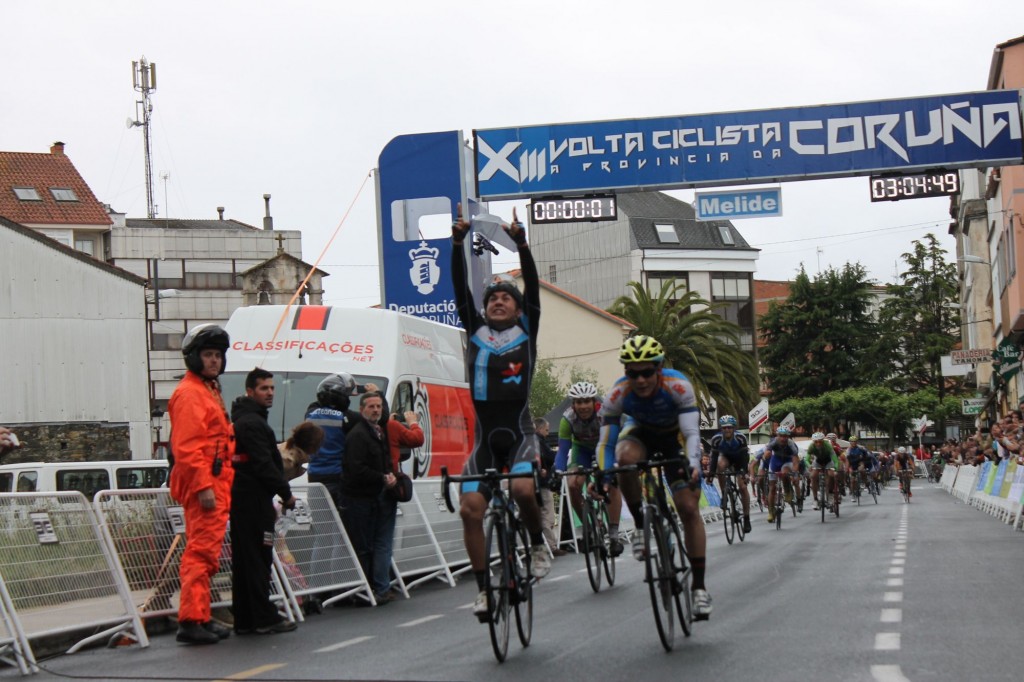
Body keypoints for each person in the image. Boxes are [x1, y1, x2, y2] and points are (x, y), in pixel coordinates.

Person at [451, 204, 551, 621]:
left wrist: (522, 244)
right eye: (492, 298)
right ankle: (484, 591)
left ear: (518, 307)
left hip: (521, 433)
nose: (497, 302)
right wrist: (457, 242)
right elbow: (460, 286)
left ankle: (537, 543)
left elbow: (531, 284)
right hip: (484, 442)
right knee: (471, 509)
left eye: (506, 298)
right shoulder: (475, 330)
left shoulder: (527, 327)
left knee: (524, 491)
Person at [595, 335, 713, 620]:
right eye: (633, 373)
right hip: (641, 434)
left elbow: (691, 433)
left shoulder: (678, 385)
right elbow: (606, 443)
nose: (641, 380)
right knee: (623, 460)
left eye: (647, 372)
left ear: (659, 369)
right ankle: (639, 524)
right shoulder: (617, 394)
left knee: (688, 509)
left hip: (674, 438)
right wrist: (604, 473)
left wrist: (693, 463)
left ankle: (698, 587)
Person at [168, 324, 236, 645]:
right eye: (208, 355)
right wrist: (203, 487)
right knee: (200, 553)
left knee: (208, 553)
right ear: (195, 358)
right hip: (206, 485)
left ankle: (201, 615)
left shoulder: (208, 390)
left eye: (218, 355)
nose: (215, 361)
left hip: (217, 482)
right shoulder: (191, 393)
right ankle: (192, 619)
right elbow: (187, 447)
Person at [229, 367, 298, 635]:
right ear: (250, 391)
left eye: (271, 388)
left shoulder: (243, 420)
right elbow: (264, 465)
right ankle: (263, 616)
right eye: (263, 388)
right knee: (258, 559)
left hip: (243, 499)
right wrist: (286, 493)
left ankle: (245, 618)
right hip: (253, 501)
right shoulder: (254, 424)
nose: (270, 393)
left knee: (246, 560)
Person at [339, 391, 398, 604]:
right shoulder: (358, 435)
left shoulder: (378, 431)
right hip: (358, 498)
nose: (375, 410)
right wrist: (382, 477)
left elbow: (384, 460)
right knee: (361, 547)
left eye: (378, 406)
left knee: (372, 545)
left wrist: (389, 475)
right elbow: (356, 468)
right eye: (371, 406)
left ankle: (375, 588)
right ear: (362, 409)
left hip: (373, 496)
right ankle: (361, 591)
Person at [555, 381, 624, 557]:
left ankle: (614, 534)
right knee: (572, 484)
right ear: (573, 404)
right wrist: (557, 470)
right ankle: (588, 527)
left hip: (605, 447)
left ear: (594, 402)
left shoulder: (604, 413)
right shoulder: (567, 419)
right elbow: (563, 450)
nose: (583, 406)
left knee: (613, 483)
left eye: (587, 401)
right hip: (582, 451)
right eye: (579, 402)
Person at [304, 373, 362, 508]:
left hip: (314, 475)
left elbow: (316, 404)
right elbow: (380, 419)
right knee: (341, 522)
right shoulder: (348, 418)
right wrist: (375, 392)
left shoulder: (310, 413)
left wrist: (328, 394)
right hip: (337, 477)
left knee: (321, 520)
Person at [709, 415, 752, 533]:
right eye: (724, 428)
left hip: (740, 460)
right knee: (720, 465)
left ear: (734, 428)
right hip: (726, 457)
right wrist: (711, 475)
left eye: (729, 427)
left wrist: (744, 472)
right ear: (721, 429)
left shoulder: (740, 437)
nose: (727, 430)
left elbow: (744, 457)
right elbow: (714, 458)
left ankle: (747, 518)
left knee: (743, 487)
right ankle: (724, 494)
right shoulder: (716, 439)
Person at [534, 418, 563, 556]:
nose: (547, 432)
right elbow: (549, 456)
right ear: (539, 429)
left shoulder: (530, 441)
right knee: (548, 515)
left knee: (538, 514)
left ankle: (541, 544)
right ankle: (551, 546)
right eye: (546, 429)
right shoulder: (539, 441)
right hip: (542, 483)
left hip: (532, 483)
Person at [763, 426, 800, 524]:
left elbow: (795, 461)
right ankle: (771, 511)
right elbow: (767, 452)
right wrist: (767, 454)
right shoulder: (773, 441)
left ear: (788, 437)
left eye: (785, 436)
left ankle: (787, 490)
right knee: (772, 488)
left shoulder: (791, 444)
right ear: (777, 435)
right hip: (776, 461)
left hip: (787, 461)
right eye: (781, 436)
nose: (783, 438)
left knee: (784, 472)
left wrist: (795, 474)